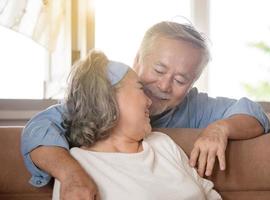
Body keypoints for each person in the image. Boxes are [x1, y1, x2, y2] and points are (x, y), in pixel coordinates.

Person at [21, 21, 270, 199]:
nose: (163, 86)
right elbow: (39, 128)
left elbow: (254, 113)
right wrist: (73, 176)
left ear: (192, 84)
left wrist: (221, 128)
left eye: (181, 80)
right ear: (138, 59)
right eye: (159, 70)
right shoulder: (103, 98)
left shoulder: (194, 108)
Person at [52, 49, 222, 200]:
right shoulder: (76, 166)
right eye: (141, 89)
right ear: (108, 97)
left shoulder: (163, 143)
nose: (150, 101)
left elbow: (210, 195)